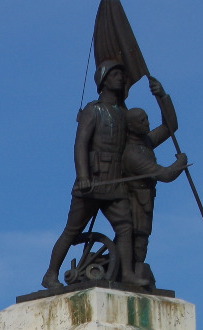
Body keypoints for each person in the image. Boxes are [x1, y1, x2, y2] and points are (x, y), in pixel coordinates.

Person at [41, 60, 136, 291]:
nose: (120, 78)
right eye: (114, 75)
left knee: (125, 227)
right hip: (93, 180)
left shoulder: (123, 114)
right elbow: (80, 144)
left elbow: (142, 142)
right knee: (72, 230)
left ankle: (129, 274)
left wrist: (163, 100)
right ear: (103, 81)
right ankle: (50, 274)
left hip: (115, 180)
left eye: (121, 75)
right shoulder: (93, 110)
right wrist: (82, 175)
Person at [121, 78, 187, 288]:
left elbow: (170, 126)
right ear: (131, 127)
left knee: (142, 238)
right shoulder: (132, 154)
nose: (147, 124)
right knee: (137, 237)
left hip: (146, 198)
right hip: (134, 200)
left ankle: (134, 269)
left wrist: (161, 97)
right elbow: (165, 175)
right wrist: (180, 163)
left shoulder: (145, 141)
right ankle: (129, 271)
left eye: (147, 119)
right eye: (142, 121)